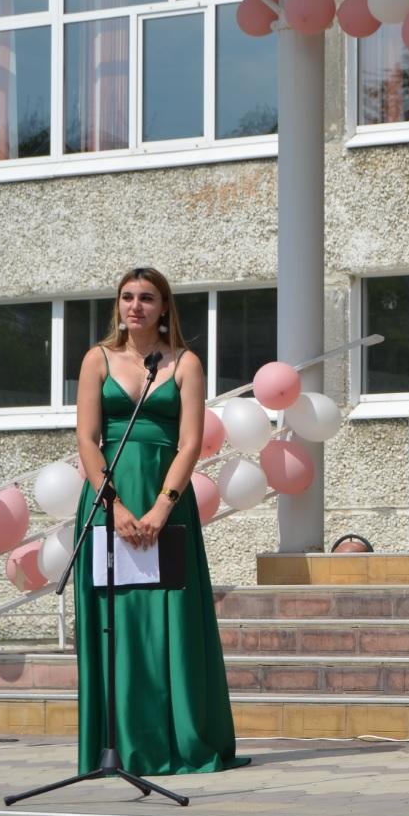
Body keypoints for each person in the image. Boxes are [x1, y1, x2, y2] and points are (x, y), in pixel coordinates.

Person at [73, 267, 247, 776]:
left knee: (169, 622)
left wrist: (161, 508)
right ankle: (119, 748)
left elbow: (190, 442)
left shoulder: (186, 362)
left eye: (147, 298)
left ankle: (179, 742)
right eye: (127, 297)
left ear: (164, 306)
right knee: (119, 622)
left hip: (167, 503)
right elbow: (86, 439)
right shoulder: (97, 359)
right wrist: (115, 507)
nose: (135, 306)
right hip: (108, 500)